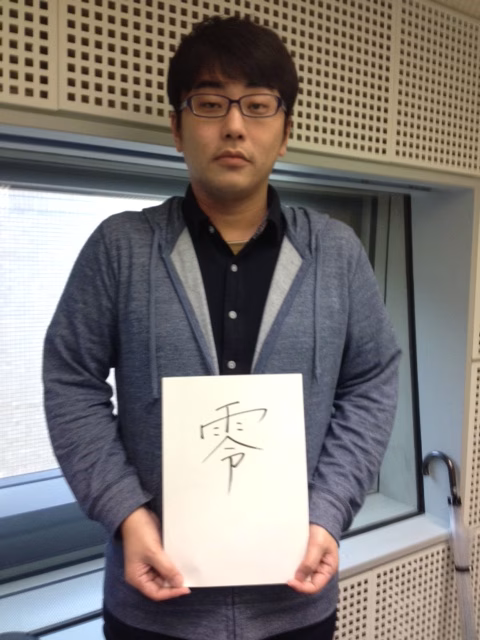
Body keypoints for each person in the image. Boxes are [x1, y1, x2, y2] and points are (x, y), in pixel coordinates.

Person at [43, 15, 401, 640]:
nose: (234, 125)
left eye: (258, 106)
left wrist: (328, 511)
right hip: (152, 608)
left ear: (285, 132)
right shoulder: (120, 248)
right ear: (177, 128)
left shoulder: (337, 253)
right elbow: (70, 381)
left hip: (297, 602)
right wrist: (126, 514)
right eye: (210, 104)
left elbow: (371, 380)